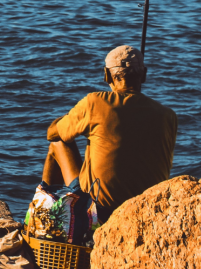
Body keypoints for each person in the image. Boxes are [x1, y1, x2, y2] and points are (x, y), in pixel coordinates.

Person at [27, 45, 177, 241]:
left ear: (107, 75)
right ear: (144, 75)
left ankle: (43, 217)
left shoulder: (95, 102)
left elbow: (53, 133)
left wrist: (73, 120)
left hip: (99, 212)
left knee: (58, 144)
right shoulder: (168, 116)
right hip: (146, 210)